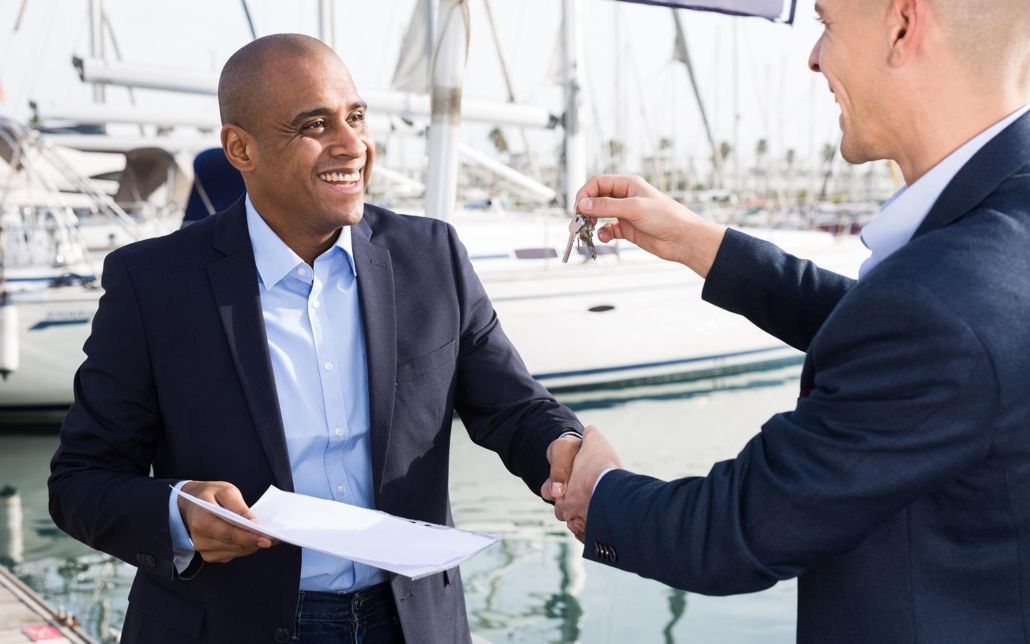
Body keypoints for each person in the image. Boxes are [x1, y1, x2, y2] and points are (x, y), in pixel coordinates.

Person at [49, 34, 584, 644]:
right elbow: (81, 480)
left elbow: (514, 410)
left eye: (355, 117)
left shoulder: (432, 257)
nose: (353, 145)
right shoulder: (152, 284)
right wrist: (177, 511)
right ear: (240, 148)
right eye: (315, 125)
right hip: (225, 626)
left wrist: (565, 449)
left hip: (413, 626)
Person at [555, 1, 1030, 642]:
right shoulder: (998, 240)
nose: (813, 58)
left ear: (902, 25)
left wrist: (601, 493)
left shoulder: (944, 302)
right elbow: (899, 353)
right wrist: (700, 243)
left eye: (827, 23)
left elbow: (735, 533)